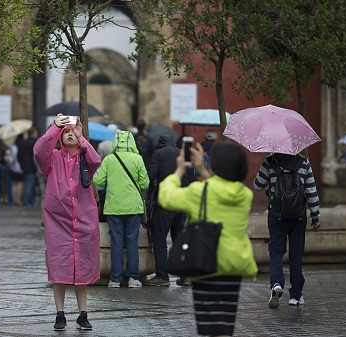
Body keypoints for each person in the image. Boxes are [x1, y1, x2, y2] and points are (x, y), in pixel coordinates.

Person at [157, 141, 258, 337]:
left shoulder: (199, 191)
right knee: (225, 325)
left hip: (206, 262)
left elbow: (166, 197)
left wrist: (179, 170)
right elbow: (220, 188)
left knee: (209, 326)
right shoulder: (244, 195)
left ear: (216, 165)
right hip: (233, 265)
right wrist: (203, 171)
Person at [33, 114, 101, 331]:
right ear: (60, 137)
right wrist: (55, 126)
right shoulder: (52, 159)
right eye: (66, 132)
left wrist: (82, 139)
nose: (70, 134)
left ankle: (83, 314)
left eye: (73, 131)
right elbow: (38, 150)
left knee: (82, 270)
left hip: (83, 220)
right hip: (58, 222)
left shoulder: (84, 158)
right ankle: (59, 313)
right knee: (59, 268)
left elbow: (96, 160)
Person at [253, 152, 320, 308]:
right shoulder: (304, 163)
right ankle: (295, 296)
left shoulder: (269, 161)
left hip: (276, 215)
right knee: (296, 254)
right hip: (298, 216)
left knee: (276, 250)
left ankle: (276, 283)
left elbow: (257, 185)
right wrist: (315, 217)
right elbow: (311, 191)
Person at [93, 130, 149, 288]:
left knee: (116, 242)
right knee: (132, 242)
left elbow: (99, 181)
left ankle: (115, 279)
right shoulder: (138, 159)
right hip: (133, 207)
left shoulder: (109, 159)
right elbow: (145, 183)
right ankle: (133, 278)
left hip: (113, 207)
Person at [143, 134, 193, 287]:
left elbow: (149, 176)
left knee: (159, 240)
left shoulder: (158, 154)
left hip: (165, 203)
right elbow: (191, 177)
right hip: (182, 203)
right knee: (179, 240)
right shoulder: (183, 153)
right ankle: (184, 276)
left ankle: (162, 276)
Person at [18, 127, 39, 206]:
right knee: (29, 185)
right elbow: (35, 157)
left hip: (24, 167)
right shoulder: (33, 144)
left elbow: (19, 156)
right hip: (31, 167)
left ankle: (28, 200)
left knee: (27, 184)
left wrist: (21, 164)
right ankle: (27, 201)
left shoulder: (22, 143)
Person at [5, 135, 23, 205]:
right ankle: (18, 199)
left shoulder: (12, 147)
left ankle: (14, 199)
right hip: (20, 167)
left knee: (14, 184)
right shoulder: (20, 147)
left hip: (13, 167)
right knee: (19, 184)